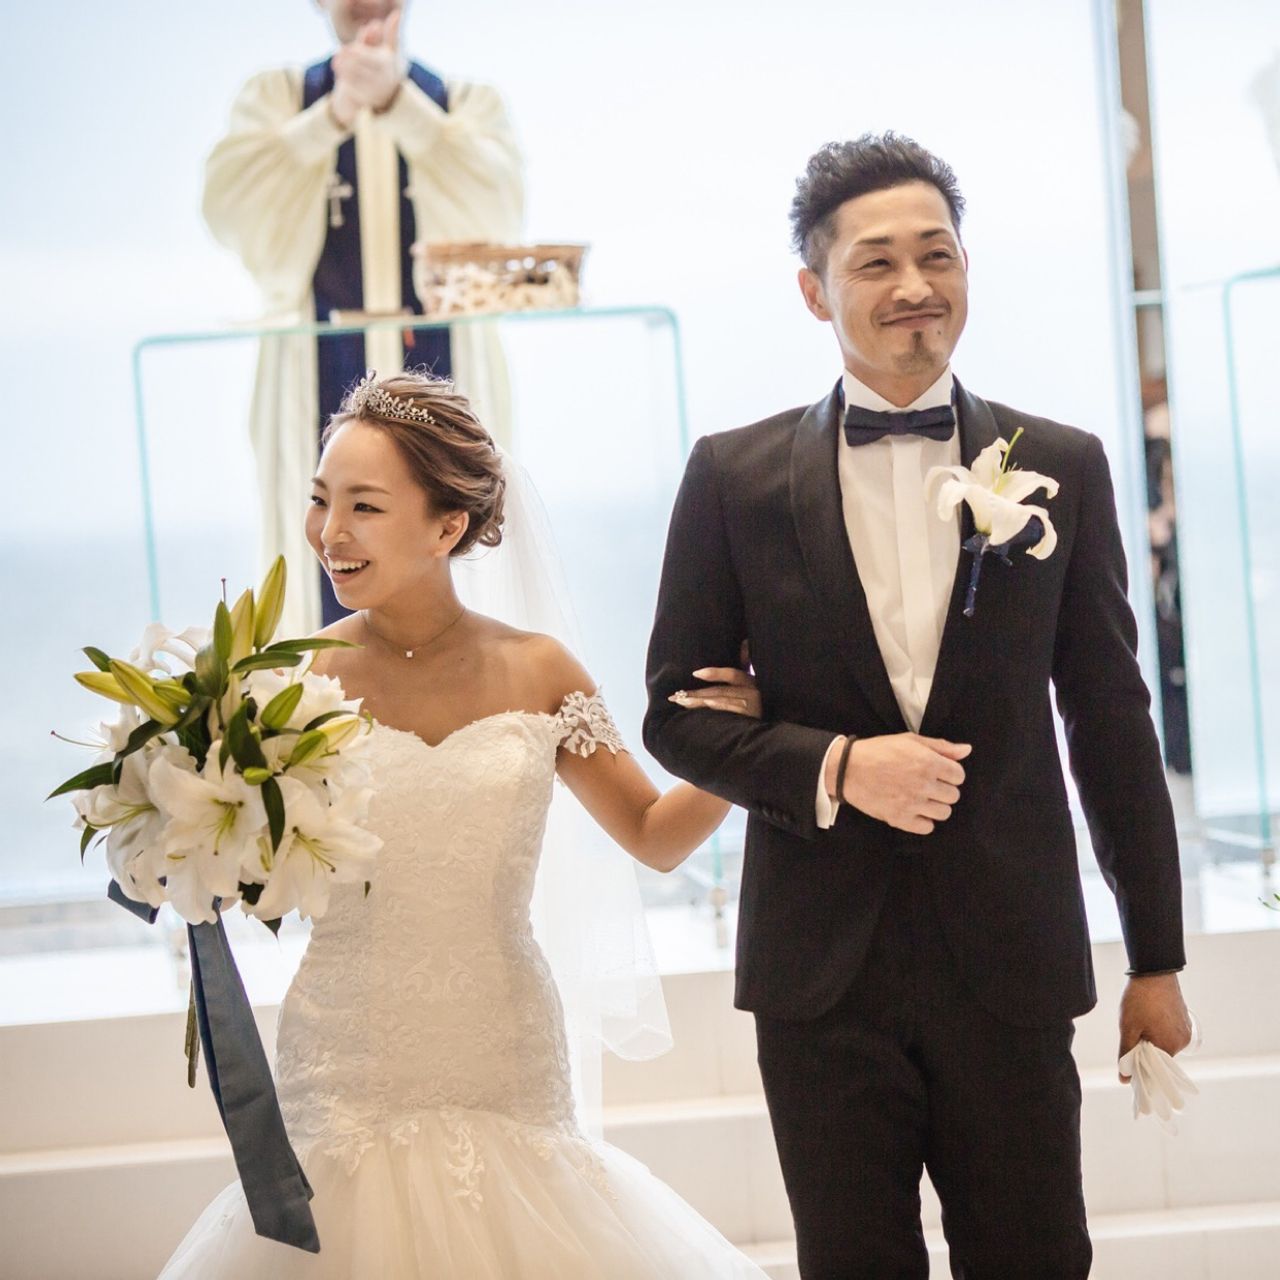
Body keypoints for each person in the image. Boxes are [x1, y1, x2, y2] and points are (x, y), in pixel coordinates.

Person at [644, 133, 1193, 1278]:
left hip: (1008, 956)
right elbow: (674, 715)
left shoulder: (1063, 464)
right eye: (875, 261)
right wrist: (839, 764)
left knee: (1037, 1256)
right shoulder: (731, 478)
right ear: (814, 291)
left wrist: (1155, 955)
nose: (912, 285)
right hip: (817, 969)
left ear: (964, 269)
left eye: (935, 255)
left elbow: (1109, 718)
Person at [158, 371, 767, 1278]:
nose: (330, 532)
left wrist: (745, 739)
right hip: (346, 1051)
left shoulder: (540, 670)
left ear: (447, 527)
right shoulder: (290, 682)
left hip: (502, 1049)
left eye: (364, 506)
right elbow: (235, 856)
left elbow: (655, 834)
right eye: (321, 500)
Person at [203, 0, 522, 634]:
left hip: (449, 356)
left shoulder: (466, 102)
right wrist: (335, 114)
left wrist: (400, 103)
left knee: (460, 546)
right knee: (315, 564)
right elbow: (231, 211)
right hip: (312, 363)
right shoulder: (276, 98)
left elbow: (497, 213)